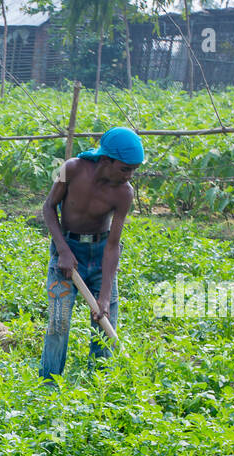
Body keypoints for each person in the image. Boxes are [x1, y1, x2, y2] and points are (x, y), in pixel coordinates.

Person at [39, 126, 144, 384]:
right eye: (125, 168)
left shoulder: (124, 193)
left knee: (104, 326)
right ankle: (48, 386)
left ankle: (99, 389)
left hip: (100, 256)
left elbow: (112, 245)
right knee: (58, 323)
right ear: (106, 160)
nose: (129, 176)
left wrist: (105, 297)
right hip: (66, 249)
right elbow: (48, 207)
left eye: (134, 170)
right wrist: (62, 250)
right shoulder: (71, 168)